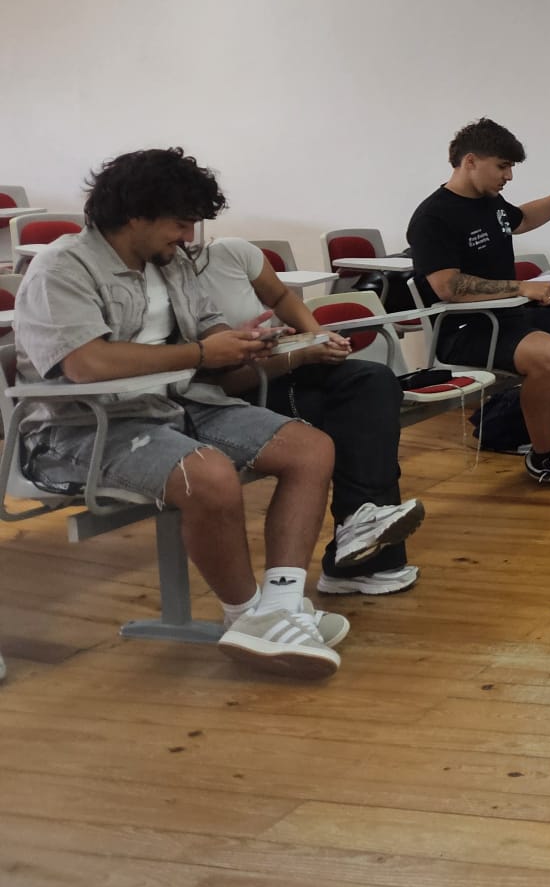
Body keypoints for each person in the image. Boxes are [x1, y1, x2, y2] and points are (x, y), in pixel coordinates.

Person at [11, 149, 347, 677]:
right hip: (81, 426)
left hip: (177, 401)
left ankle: (280, 607)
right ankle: (246, 619)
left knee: (310, 449)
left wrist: (244, 343)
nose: (189, 236)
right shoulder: (62, 267)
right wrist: (202, 353)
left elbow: (209, 327)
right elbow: (86, 364)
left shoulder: (171, 261)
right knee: (207, 475)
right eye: (180, 222)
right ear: (135, 214)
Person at [190, 237, 424, 595]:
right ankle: (363, 555)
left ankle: (358, 530)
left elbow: (282, 297)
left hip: (279, 366)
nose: (188, 234)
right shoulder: (168, 280)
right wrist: (300, 355)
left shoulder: (231, 252)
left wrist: (318, 336)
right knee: (359, 418)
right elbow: (228, 380)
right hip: (241, 391)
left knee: (375, 381)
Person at [407, 118, 550, 488]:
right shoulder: (433, 216)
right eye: (502, 166)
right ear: (471, 161)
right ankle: (544, 458)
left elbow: (523, 218)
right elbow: (447, 286)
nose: (508, 176)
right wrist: (521, 287)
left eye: (510, 167)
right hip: (465, 327)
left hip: (509, 317)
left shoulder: (490, 202)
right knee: (547, 352)